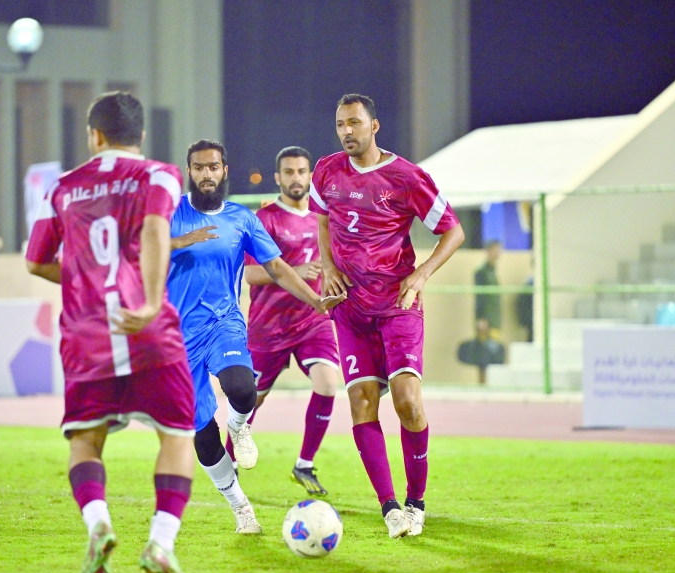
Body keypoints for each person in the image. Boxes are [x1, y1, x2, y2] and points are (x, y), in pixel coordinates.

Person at [26, 91, 195, 573]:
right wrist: (144, 304)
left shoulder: (61, 188)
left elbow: (35, 261)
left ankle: (98, 523)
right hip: (149, 334)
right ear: (140, 136)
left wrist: (81, 279)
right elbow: (154, 230)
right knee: (176, 436)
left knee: (85, 439)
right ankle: (161, 542)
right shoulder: (159, 175)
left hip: (87, 337)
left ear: (94, 136)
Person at [167, 139, 343, 534]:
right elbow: (141, 250)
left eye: (213, 167)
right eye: (199, 167)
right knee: (203, 436)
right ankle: (241, 508)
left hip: (223, 324)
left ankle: (240, 425)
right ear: (189, 171)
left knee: (242, 390)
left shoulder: (242, 219)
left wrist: (315, 301)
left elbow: (277, 268)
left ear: (224, 170)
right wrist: (181, 243)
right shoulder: (169, 213)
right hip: (176, 340)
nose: (206, 174)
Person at [311, 94, 465, 538]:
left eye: (354, 123)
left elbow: (452, 231)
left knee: (407, 401)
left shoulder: (406, 177)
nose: (346, 132)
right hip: (350, 309)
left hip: (397, 305)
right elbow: (322, 219)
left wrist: (420, 276)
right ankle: (390, 508)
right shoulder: (326, 170)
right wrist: (328, 267)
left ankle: (417, 502)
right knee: (361, 402)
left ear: (374, 126)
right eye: (340, 124)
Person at [234, 146, 340, 496]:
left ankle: (304, 464)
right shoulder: (264, 220)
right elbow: (250, 274)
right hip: (269, 326)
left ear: (310, 175)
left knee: (327, 383)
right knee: (249, 402)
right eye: (289, 172)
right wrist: (295, 271)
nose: (297, 178)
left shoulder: (322, 218)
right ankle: (229, 462)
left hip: (313, 320)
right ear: (278, 178)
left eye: (302, 171)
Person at [472, 240, 505, 382]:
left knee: (494, 353)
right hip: (485, 320)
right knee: (483, 354)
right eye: (495, 249)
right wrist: (481, 319)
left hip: (495, 319)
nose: (498, 253)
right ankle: (482, 383)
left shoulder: (493, 270)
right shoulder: (481, 271)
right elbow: (479, 297)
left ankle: (492, 382)